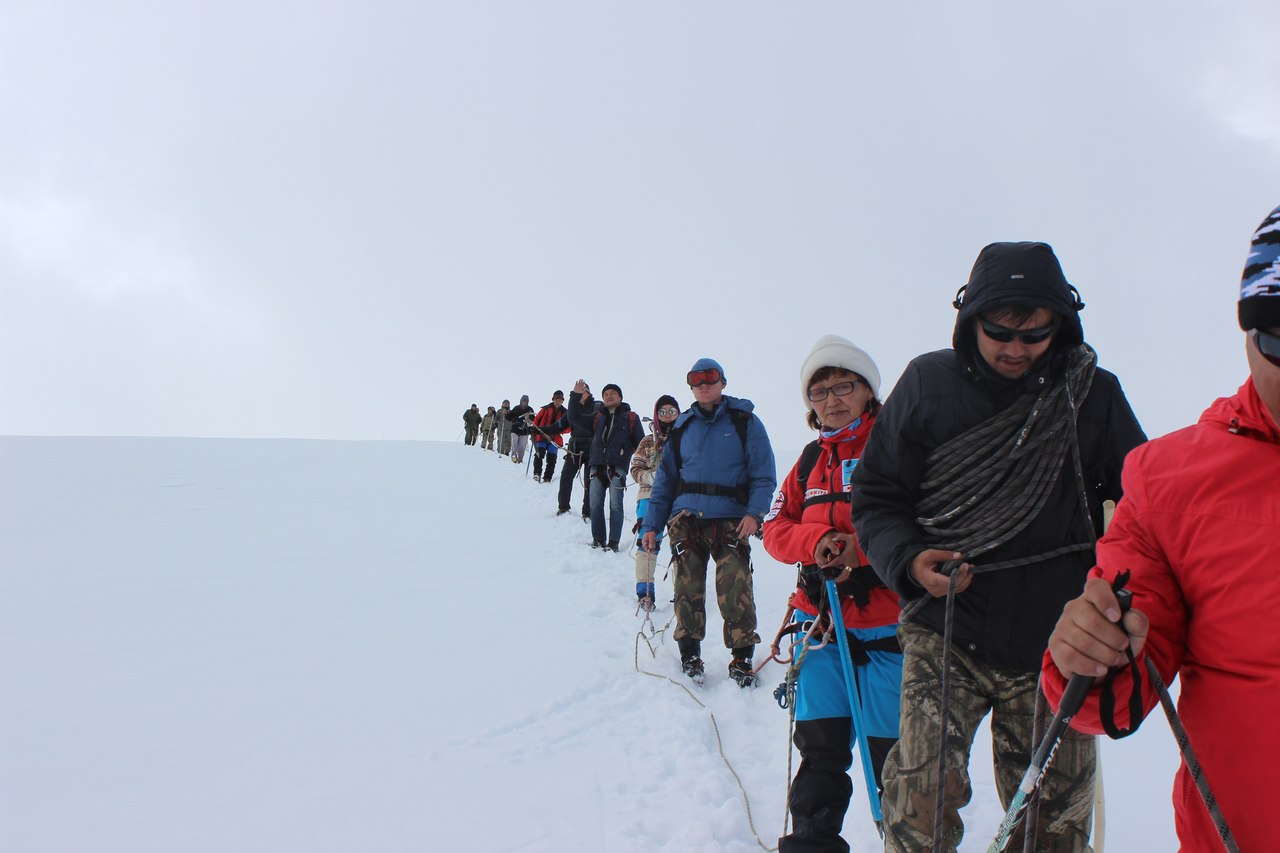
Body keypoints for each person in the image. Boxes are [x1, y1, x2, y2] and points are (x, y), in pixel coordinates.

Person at [849, 241, 1146, 852]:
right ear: (969, 319)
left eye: (1035, 334)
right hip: (947, 626)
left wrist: (1118, 591)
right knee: (919, 802)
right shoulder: (928, 383)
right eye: (999, 332)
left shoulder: (1093, 394)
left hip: (1058, 639)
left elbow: (1142, 509)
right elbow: (877, 495)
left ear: (1060, 325)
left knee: (1052, 828)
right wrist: (907, 558)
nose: (1016, 348)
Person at [1044, 205, 1280, 853]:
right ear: (1248, 337)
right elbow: (1115, 690)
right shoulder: (1169, 479)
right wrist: (1092, 652)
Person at [762, 336, 902, 852]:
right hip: (819, 631)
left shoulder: (899, 447)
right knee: (820, 754)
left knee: (896, 762)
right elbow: (776, 527)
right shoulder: (807, 462)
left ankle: (903, 841)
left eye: (844, 385)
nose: (831, 399)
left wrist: (857, 551)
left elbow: (924, 522)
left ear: (868, 391)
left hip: (889, 630)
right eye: (819, 392)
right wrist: (818, 541)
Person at [641, 357, 777, 686]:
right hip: (687, 520)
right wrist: (651, 525)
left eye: (710, 378)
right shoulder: (683, 427)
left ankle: (741, 658)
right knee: (687, 589)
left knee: (735, 587)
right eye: (696, 379)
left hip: (732, 520)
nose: (703, 384)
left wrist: (754, 513)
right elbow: (664, 482)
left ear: (723, 382)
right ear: (690, 385)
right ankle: (690, 655)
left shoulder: (745, 422)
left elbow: (763, 475)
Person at [568, 380, 645, 551]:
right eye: (605, 394)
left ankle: (613, 543)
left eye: (612, 394)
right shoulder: (598, 417)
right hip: (596, 466)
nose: (609, 396)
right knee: (595, 504)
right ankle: (598, 540)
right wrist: (575, 396)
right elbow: (573, 418)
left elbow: (640, 445)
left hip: (617, 467)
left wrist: (640, 465)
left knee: (615, 505)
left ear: (620, 397)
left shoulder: (631, 417)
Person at [628, 394, 681, 608]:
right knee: (648, 541)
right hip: (649, 496)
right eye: (663, 412)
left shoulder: (685, 438)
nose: (667, 416)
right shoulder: (648, 441)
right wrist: (649, 477)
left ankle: (683, 591)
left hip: (679, 497)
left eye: (672, 411)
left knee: (681, 544)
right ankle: (645, 592)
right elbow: (636, 467)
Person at [553, 384, 596, 519]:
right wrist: (538, 430)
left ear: (589, 393)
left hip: (592, 448)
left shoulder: (597, 408)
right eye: (580, 392)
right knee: (566, 477)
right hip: (574, 448)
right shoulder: (572, 411)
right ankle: (563, 507)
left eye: (584, 392)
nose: (582, 394)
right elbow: (558, 426)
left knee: (590, 481)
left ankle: (587, 512)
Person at [531, 391, 570, 483]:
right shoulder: (545, 409)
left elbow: (569, 428)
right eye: (557, 399)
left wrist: (559, 430)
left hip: (555, 439)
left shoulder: (565, 413)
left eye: (560, 400)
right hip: (541, 437)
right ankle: (537, 473)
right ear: (553, 399)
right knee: (539, 455)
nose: (558, 401)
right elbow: (536, 421)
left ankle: (547, 477)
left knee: (551, 459)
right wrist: (534, 430)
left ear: (562, 401)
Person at [508, 395, 535, 465]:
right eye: (523, 401)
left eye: (526, 401)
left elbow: (533, 420)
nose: (524, 403)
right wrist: (506, 414)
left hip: (524, 429)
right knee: (514, 441)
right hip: (515, 428)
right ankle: (514, 455)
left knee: (522, 445)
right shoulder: (516, 408)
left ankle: (520, 458)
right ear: (521, 401)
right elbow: (509, 417)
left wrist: (529, 420)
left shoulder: (530, 409)